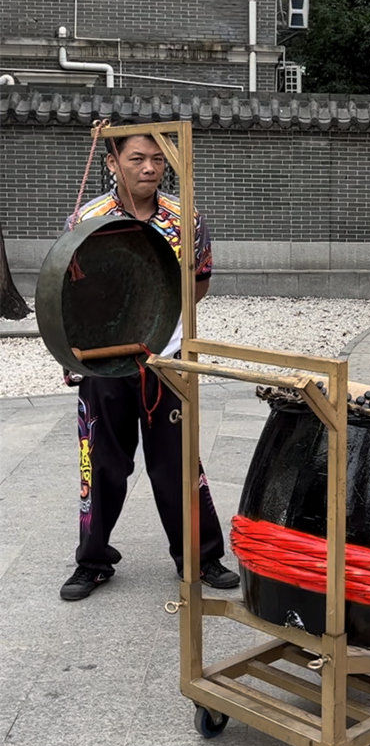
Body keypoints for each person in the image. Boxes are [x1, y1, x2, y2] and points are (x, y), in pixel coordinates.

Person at [59, 133, 239, 601]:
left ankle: (202, 556)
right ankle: (93, 561)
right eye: (137, 158)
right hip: (104, 362)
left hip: (167, 357)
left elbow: (199, 283)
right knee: (101, 463)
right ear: (112, 162)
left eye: (158, 159)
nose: (149, 168)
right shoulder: (86, 218)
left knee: (178, 462)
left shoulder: (186, 218)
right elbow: (68, 295)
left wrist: (162, 324)